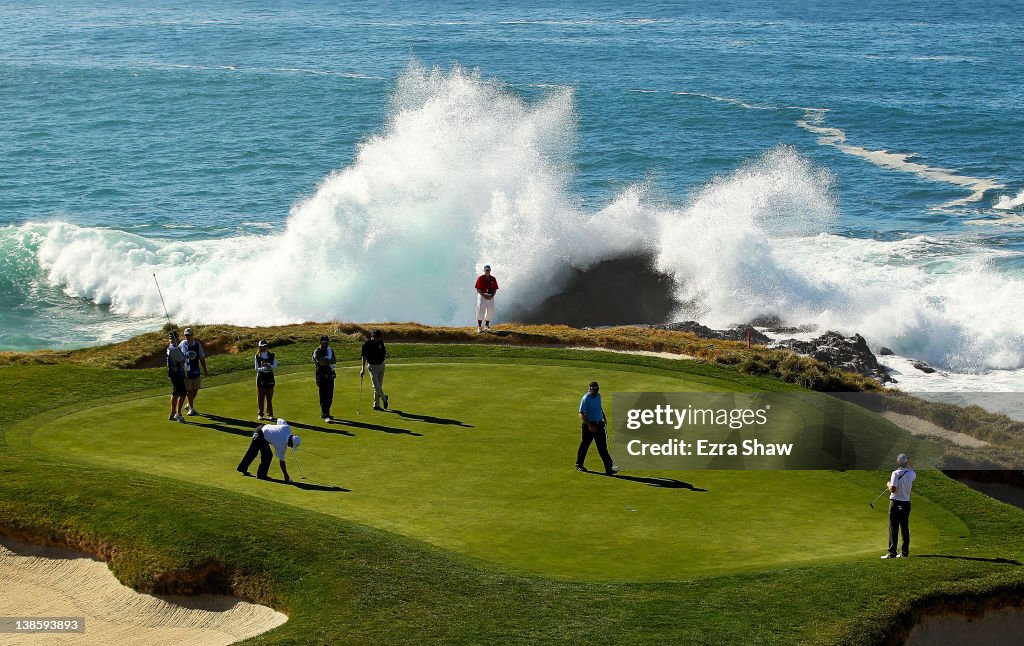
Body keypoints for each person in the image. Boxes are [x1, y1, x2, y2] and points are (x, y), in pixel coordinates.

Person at [236, 418, 301, 482]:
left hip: (260, 427)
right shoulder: (282, 445)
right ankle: (261, 475)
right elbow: (282, 462)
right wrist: (286, 475)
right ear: (290, 442)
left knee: (253, 452)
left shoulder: (287, 428)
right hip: (260, 435)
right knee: (268, 455)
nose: (291, 447)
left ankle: (242, 468)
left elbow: (279, 420)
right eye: (292, 445)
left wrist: (274, 430)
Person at [576, 381, 617, 475]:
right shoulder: (586, 398)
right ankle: (579, 464)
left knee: (602, 448)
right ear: (590, 389)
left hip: (599, 424)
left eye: (597, 391)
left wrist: (603, 417)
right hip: (588, 426)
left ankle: (609, 469)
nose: (595, 393)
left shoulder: (598, 396)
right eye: (594, 391)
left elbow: (599, 408)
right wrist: (590, 425)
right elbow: (581, 414)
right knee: (585, 445)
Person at [881, 453, 916, 559]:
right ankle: (904, 553)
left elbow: (893, 489)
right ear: (907, 462)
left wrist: (888, 484)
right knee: (904, 527)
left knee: (893, 527)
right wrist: (910, 465)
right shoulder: (911, 473)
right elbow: (912, 472)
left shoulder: (895, 473)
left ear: (898, 462)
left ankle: (892, 553)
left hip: (895, 502)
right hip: (906, 503)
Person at [179, 327, 208, 416]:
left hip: (196, 370)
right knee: (189, 391)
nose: (187, 337)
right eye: (186, 335)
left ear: (192, 335)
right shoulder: (182, 344)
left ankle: (188, 404)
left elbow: (202, 358)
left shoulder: (197, 345)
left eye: (189, 335)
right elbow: (177, 353)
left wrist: (205, 370)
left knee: (196, 389)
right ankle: (191, 408)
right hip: (186, 372)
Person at [361, 328, 389, 411]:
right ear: (372, 336)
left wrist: (386, 355)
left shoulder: (380, 342)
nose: (376, 339)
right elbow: (364, 356)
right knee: (376, 387)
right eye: (374, 337)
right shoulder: (367, 345)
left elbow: (384, 352)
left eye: (378, 337)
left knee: (379, 386)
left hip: (381, 365)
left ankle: (376, 405)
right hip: (372, 367)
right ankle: (384, 398)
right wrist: (362, 369)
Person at [312, 335, 337, 422]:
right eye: (324, 342)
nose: (326, 344)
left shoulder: (330, 350)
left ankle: (327, 413)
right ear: (320, 342)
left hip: (330, 374)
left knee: (330, 395)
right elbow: (321, 363)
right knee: (323, 395)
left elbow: (334, 361)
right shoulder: (317, 351)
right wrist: (328, 361)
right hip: (321, 376)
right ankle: (324, 414)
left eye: (327, 342)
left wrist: (326, 360)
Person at [166, 331, 187, 423]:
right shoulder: (174, 349)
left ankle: (172, 413)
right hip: (177, 374)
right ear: (176, 338)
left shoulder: (169, 348)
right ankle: (178, 414)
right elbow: (182, 360)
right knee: (183, 394)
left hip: (172, 374)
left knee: (175, 393)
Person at [254, 339, 277, 421]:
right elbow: (256, 368)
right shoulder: (257, 356)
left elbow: (275, 365)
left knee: (269, 397)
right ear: (260, 347)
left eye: (266, 346)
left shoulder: (272, 355)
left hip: (270, 377)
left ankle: (270, 414)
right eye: (263, 346)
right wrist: (264, 368)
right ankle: (260, 414)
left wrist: (269, 366)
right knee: (261, 397)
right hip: (261, 378)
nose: (264, 348)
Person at [474, 264, 498, 332]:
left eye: (488, 270)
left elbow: (495, 289)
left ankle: (487, 326)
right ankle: (479, 327)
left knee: (490, 311)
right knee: (481, 310)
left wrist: (491, 296)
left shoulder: (493, 278)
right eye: (486, 270)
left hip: (490, 296)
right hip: (482, 295)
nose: (487, 271)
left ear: (490, 270)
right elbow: (478, 289)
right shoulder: (480, 278)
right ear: (484, 271)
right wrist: (484, 296)